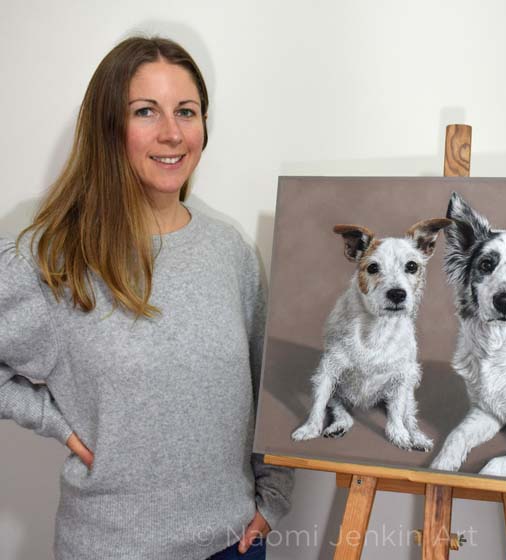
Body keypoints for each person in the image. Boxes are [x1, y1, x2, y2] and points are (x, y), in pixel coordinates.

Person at [0, 36, 293, 559]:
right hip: (111, 548)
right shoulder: (58, 258)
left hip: (234, 543)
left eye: (187, 111)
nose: (172, 133)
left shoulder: (230, 251)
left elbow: (268, 386)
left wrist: (272, 501)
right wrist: (54, 423)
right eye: (145, 112)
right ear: (110, 128)